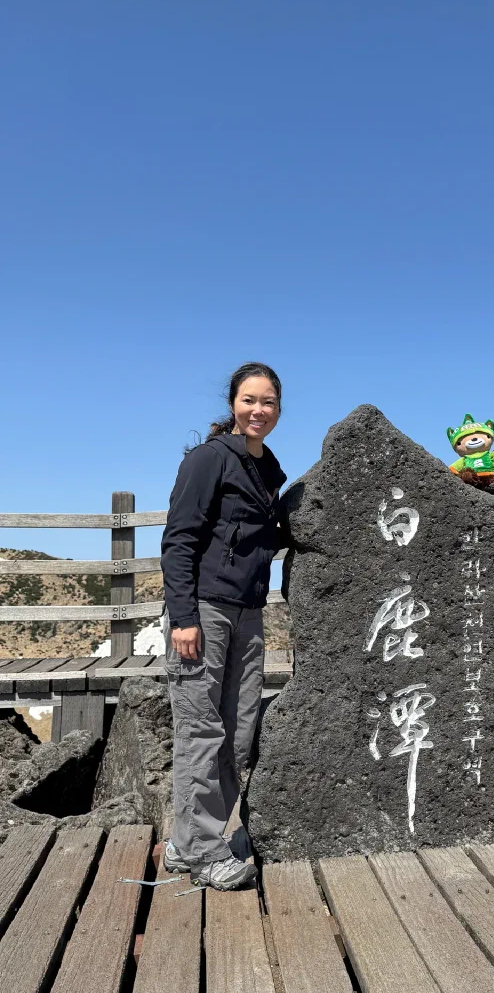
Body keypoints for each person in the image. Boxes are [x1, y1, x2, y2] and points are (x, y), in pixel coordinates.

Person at [160, 361, 287, 889]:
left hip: (249, 613)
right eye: (249, 400)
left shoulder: (266, 468)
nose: (258, 411)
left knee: (238, 733)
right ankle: (203, 854)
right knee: (201, 730)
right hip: (206, 613)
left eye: (268, 403)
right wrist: (184, 617)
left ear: (279, 409)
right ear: (233, 403)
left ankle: (187, 838)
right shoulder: (209, 459)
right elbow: (180, 539)